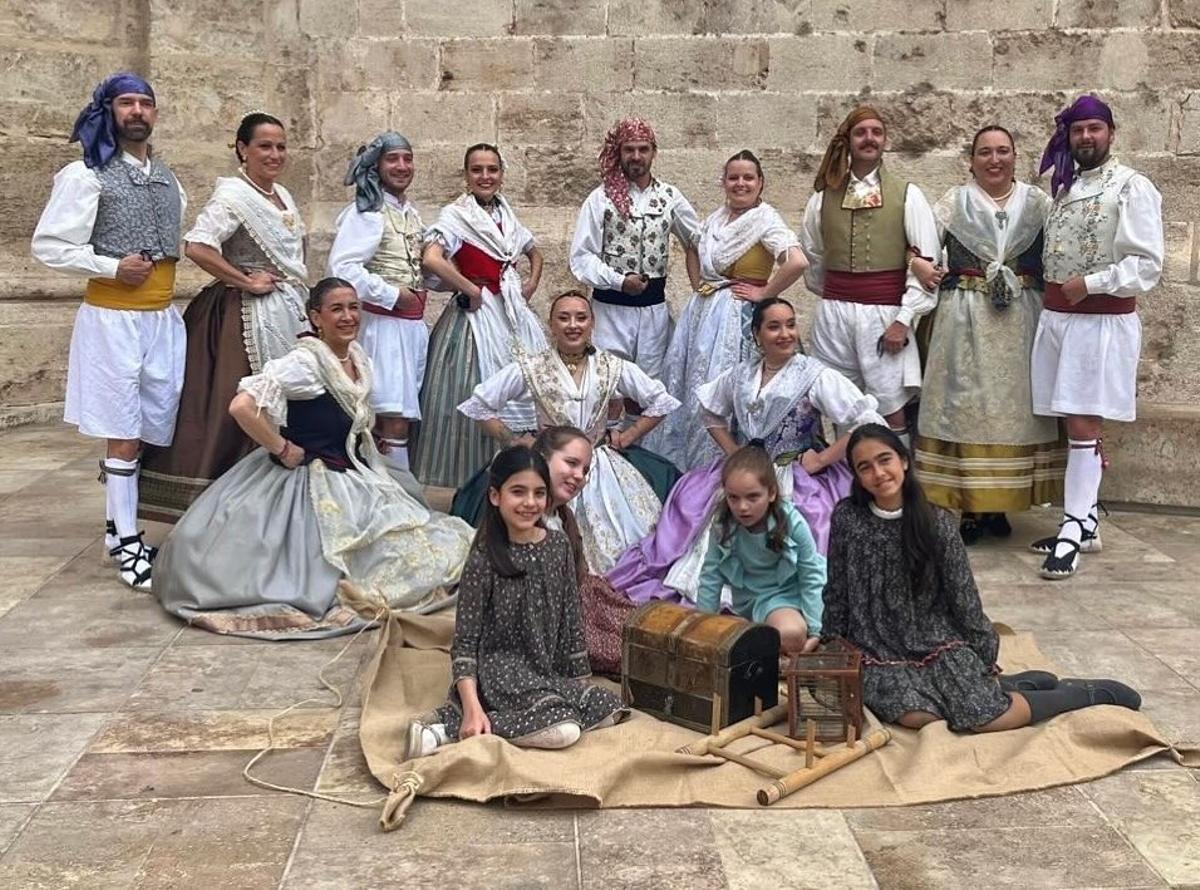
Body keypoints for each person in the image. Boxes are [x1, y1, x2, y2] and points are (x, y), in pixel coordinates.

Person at [153, 278, 474, 639]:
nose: (349, 316)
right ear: (315, 317)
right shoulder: (303, 363)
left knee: (421, 541)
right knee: (308, 565)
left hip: (351, 469)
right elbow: (242, 406)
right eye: (336, 309)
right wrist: (282, 448)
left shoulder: (354, 355)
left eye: (354, 307)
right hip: (310, 476)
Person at [823, 423, 1142, 732]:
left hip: (932, 639)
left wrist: (982, 658)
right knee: (920, 717)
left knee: (984, 717)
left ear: (903, 460)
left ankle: (1077, 693)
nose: (878, 473)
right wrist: (830, 640)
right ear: (857, 477)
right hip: (875, 648)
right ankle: (1004, 685)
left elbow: (964, 599)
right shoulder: (848, 518)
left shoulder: (937, 524)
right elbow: (837, 588)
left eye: (885, 460)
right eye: (865, 467)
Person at [607, 297, 884, 604]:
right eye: (774, 327)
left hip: (792, 470)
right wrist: (734, 451)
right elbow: (710, 413)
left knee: (808, 523)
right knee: (696, 503)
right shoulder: (741, 375)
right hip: (746, 468)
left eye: (791, 325)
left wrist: (821, 459)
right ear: (757, 334)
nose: (786, 334)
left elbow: (865, 421)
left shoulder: (814, 375)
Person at [32, 72, 186, 591]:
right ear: (109, 110)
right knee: (120, 433)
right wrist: (110, 266)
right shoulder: (85, 175)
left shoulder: (167, 177)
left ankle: (116, 530)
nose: (137, 111)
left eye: (146, 103)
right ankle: (127, 544)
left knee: (145, 429)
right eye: (127, 103)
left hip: (161, 319)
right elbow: (49, 245)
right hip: (113, 319)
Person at [405, 446, 628, 759]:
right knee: (565, 730)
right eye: (518, 492)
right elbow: (465, 642)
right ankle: (449, 727)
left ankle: (518, 716)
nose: (529, 503)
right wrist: (470, 707)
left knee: (609, 708)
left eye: (538, 493)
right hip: (501, 673)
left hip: (545, 670)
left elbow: (570, 618)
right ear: (496, 496)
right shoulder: (485, 557)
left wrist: (579, 685)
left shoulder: (558, 546)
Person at [139, 112, 308, 522]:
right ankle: (227, 510)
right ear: (242, 149)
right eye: (264, 146)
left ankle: (279, 504)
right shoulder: (233, 196)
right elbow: (197, 246)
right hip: (242, 318)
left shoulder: (282, 195)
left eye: (280, 146)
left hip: (285, 307)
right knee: (233, 406)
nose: (274, 154)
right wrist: (244, 281)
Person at [1029, 95, 1164, 579]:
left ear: (1111, 133)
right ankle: (1086, 522)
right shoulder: (1063, 187)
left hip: (1100, 321)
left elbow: (1147, 264)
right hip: (1060, 320)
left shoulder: (1131, 187)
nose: (1086, 137)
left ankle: (1070, 529)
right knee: (1072, 421)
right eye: (1078, 130)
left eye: (1094, 129)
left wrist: (1092, 283)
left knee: (1085, 425)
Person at [910, 126, 1065, 545]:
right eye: (984, 152)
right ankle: (970, 507)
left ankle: (999, 504)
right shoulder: (952, 202)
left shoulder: (1039, 203)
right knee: (967, 406)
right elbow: (914, 241)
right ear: (972, 159)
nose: (994, 160)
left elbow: (1062, 249)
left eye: (1002, 151)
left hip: (1021, 320)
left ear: (1016, 156)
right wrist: (917, 263)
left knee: (1014, 410)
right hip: (965, 316)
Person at [455, 291, 681, 573]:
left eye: (581, 317)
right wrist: (513, 439)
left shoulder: (611, 366)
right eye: (563, 318)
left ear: (592, 323)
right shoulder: (532, 366)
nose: (573, 325)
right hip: (544, 467)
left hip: (598, 466)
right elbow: (479, 404)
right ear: (551, 325)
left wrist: (628, 435)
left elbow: (660, 401)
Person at [653, 150, 808, 470]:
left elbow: (797, 262)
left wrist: (765, 292)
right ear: (723, 182)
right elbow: (693, 246)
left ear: (761, 183)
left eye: (748, 177)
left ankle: (736, 465)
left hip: (739, 320)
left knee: (734, 386)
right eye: (734, 177)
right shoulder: (715, 220)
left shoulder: (766, 220)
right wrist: (699, 286)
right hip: (702, 316)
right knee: (694, 387)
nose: (741, 183)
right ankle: (693, 469)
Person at [799, 106, 940, 448]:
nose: (870, 139)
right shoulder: (822, 198)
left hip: (885, 314)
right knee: (836, 403)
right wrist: (837, 295)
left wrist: (903, 318)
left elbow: (927, 262)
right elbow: (813, 257)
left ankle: (899, 488)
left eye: (877, 132)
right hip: (834, 315)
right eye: (861, 132)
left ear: (885, 140)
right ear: (848, 140)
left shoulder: (907, 194)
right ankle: (845, 488)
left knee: (891, 408)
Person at [411, 143, 546, 488]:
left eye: (492, 169)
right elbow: (432, 259)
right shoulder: (457, 215)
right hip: (475, 319)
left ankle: (520, 470)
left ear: (501, 175)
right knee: (473, 385)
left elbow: (534, 251)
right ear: (466, 175)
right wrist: (469, 289)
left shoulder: (506, 213)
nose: (485, 176)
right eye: (477, 170)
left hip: (511, 312)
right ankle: (472, 479)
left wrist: (529, 283)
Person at [568, 117, 701, 386]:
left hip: (654, 312)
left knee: (651, 387)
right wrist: (619, 281)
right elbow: (581, 257)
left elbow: (698, 241)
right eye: (629, 149)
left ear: (654, 152)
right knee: (607, 382)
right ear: (619, 152)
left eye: (643, 149)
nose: (636, 156)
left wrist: (704, 288)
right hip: (610, 311)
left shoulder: (670, 197)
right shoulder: (600, 198)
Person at [327, 131, 427, 473]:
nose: (401, 166)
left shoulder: (409, 213)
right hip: (384, 328)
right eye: (392, 159)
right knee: (390, 417)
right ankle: (391, 497)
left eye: (407, 159)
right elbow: (343, 268)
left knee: (401, 419)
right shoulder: (367, 212)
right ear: (377, 165)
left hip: (411, 328)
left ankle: (392, 493)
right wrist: (393, 294)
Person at [697, 446, 826, 656]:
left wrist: (816, 629)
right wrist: (703, 626)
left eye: (753, 497)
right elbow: (711, 575)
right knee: (723, 637)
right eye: (733, 498)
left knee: (790, 634)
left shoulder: (792, 523)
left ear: (772, 493)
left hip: (785, 596)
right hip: (748, 599)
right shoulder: (723, 525)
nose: (742, 507)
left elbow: (811, 574)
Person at [533, 425, 641, 674]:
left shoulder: (563, 515)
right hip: (549, 618)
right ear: (541, 459)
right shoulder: (525, 519)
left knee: (637, 623)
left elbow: (577, 571)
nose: (579, 476)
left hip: (578, 601)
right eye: (571, 463)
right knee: (622, 649)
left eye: (585, 470)